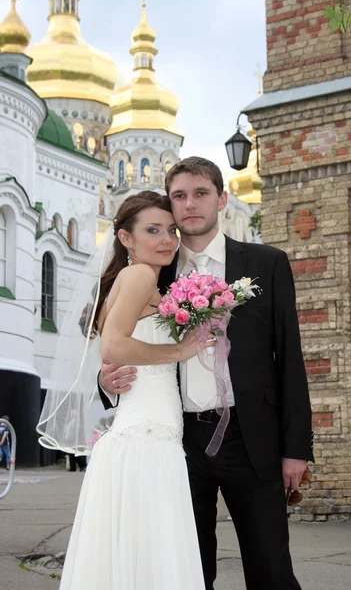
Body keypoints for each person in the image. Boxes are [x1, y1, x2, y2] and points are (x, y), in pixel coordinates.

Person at [100, 157, 314, 590]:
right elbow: (120, 338)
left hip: (251, 437)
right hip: (180, 442)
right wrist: (107, 383)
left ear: (222, 198)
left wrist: (296, 448)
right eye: (179, 195)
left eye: (200, 193)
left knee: (271, 568)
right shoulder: (156, 267)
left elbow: (289, 358)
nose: (190, 204)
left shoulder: (266, 263)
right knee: (187, 570)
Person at [57, 191, 210, 590]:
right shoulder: (140, 276)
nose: (166, 240)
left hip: (142, 428)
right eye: (153, 230)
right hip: (148, 435)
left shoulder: (135, 279)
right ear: (126, 238)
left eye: (171, 230)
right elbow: (113, 347)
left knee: (135, 549)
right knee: (153, 546)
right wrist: (181, 349)